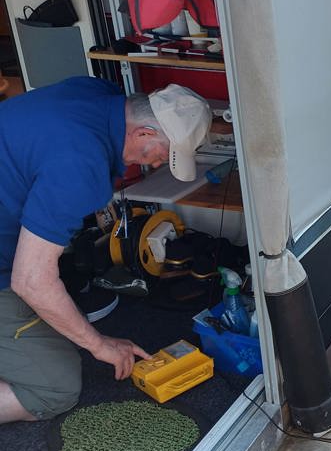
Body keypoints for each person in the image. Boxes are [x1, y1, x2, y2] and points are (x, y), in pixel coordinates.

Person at [0, 77, 212, 423]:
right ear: (143, 133)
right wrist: (100, 345)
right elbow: (31, 281)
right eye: (163, 154)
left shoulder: (98, 93)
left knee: (64, 320)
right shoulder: (80, 165)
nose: (156, 164)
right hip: (10, 272)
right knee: (54, 388)